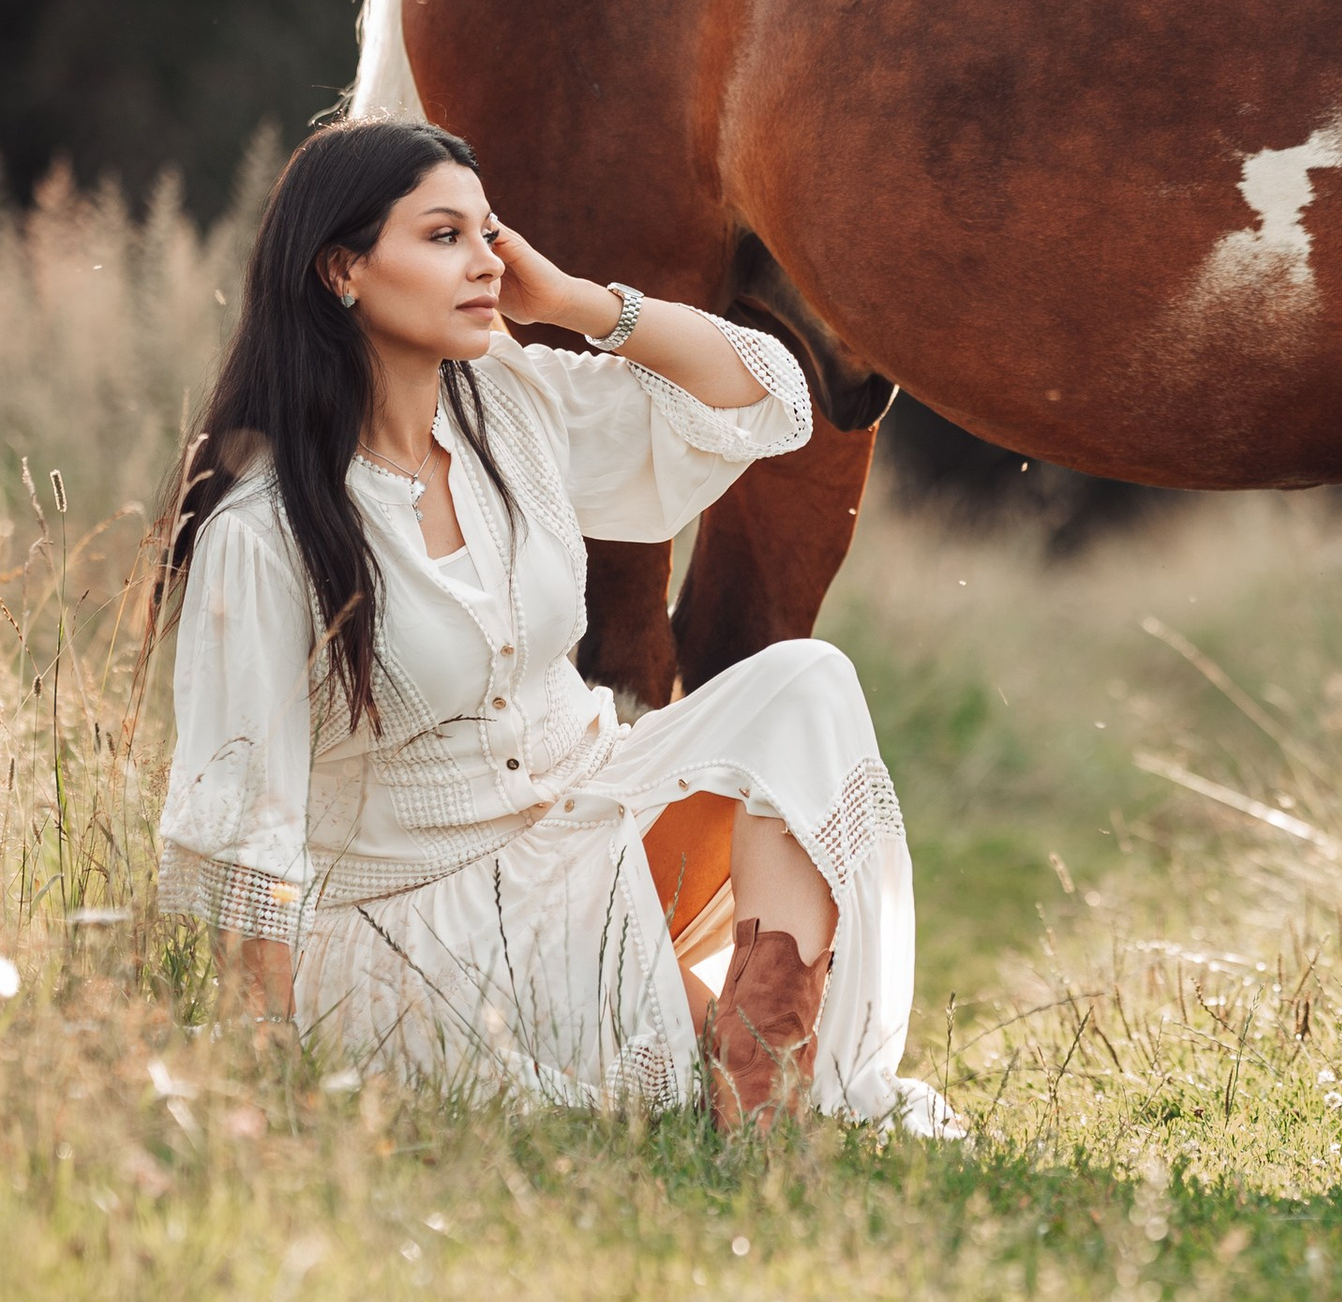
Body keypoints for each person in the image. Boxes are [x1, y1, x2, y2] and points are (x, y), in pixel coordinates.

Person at [150, 116, 955, 1134]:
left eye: (489, 235)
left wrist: (579, 304)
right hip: (432, 920)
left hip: (589, 818)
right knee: (655, 1054)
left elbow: (768, 396)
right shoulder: (266, 531)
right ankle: (727, 1068)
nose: (485, 263)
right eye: (443, 237)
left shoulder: (503, 406)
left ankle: (767, 1107)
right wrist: (257, 1071)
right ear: (342, 269)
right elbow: (242, 825)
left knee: (806, 684)